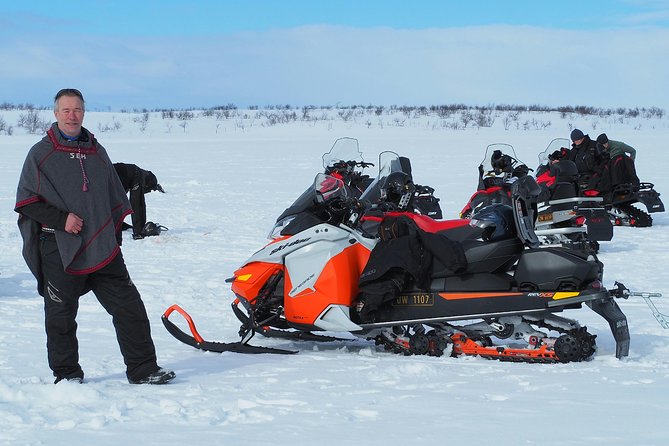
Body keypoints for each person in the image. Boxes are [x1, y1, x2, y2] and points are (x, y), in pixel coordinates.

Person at [14, 88, 175, 385]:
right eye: (66, 110)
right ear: (55, 114)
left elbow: (113, 196)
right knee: (61, 316)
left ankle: (143, 369)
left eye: (77, 110)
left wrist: (113, 235)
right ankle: (67, 375)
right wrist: (63, 219)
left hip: (104, 247)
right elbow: (27, 201)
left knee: (129, 307)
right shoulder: (40, 154)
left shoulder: (97, 151)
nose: (72, 115)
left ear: (84, 113)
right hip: (58, 246)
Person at [113, 162, 167, 240]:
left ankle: (137, 230)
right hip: (126, 175)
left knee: (131, 200)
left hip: (128, 175)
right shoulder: (138, 175)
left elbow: (135, 203)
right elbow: (136, 204)